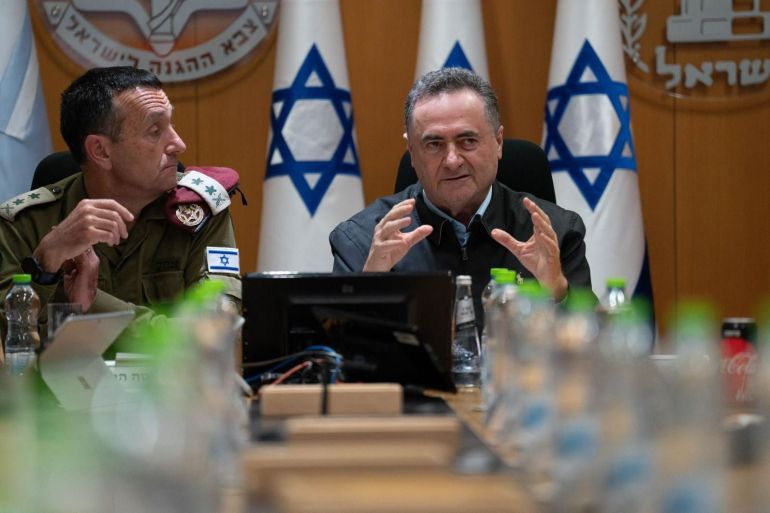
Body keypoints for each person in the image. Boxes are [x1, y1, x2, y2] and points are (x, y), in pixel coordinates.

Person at [0, 66, 241, 340]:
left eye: (171, 125)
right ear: (100, 151)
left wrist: (96, 305)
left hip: (169, 382)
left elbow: (215, 330)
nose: (178, 143)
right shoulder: (24, 224)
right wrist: (44, 264)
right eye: (154, 130)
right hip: (55, 383)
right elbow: (8, 350)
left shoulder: (199, 212)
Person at [329, 68, 592, 318]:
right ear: (412, 152)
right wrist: (370, 284)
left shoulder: (556, 232)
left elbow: (597, 352)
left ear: (498, 142)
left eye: (468, 141)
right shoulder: (362, 240)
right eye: (434, 144)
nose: (452, 160)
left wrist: (557, 291)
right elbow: (336, 355)